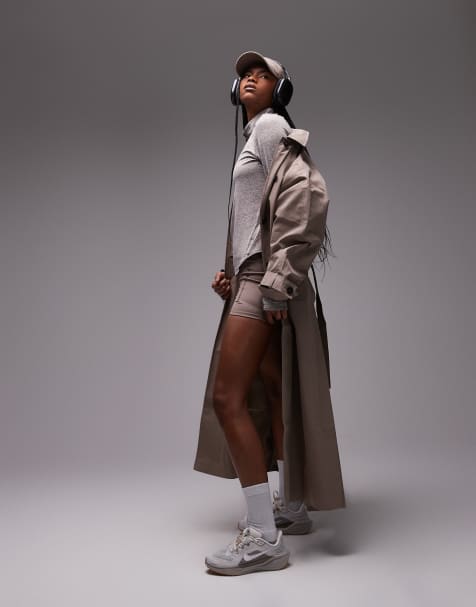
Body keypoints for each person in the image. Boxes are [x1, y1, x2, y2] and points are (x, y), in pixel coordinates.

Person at [193, 51, 346, 576]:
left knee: (228, 397)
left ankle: (263, 537)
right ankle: (293, 508)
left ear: (280, 91)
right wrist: (233, 273)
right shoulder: (252, 136)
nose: (250, 79)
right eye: (245, 75)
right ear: (234, 90)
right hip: (253, 275)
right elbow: (256, 217)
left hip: (266, 278)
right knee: (275, 386)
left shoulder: (271, 127)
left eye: (263, 75)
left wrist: (273, 281)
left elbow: (306, 197)